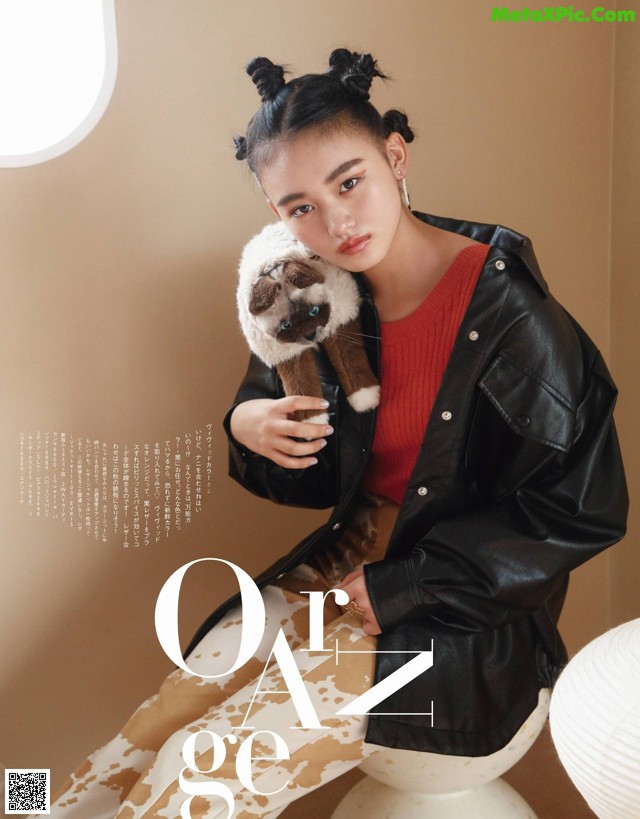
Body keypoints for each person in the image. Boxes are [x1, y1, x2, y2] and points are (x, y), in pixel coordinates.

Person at [49, 49, 628, 818]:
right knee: (153, 724)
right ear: (276, 213)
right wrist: (247, 427)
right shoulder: (311, 291)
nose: (335, 222)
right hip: (345, 559)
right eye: (300, 206)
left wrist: (408, 585)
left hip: (457, 617)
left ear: (395, 156)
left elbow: (582, 510)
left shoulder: (514, 322)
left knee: (198, 770)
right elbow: (312, 477)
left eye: (349, 181)